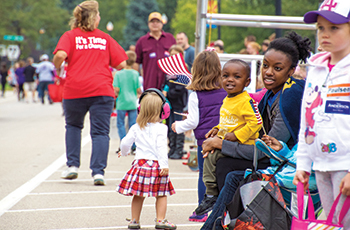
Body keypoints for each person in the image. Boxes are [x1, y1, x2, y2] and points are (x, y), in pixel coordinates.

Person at [201, 31, 312, 213]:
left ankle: (230, 218)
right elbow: (250, 130)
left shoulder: (290, 96)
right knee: (221, 161)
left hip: (286, 164)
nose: (268, 72)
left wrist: (222, 144)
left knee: (226, 165)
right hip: (268, 158)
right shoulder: (271, 93)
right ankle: (225, 217)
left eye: (277, 68)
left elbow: (266, 150)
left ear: (291, 71)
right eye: (265, 65)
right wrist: (219, 132)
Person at [53, 0, 127, 185]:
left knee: (73, 126)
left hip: (75, 90)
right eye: (99, 15)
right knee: (100, 132)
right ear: (94, 18)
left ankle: (72, 167)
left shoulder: (70, 36)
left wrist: (58, 67)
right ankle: (98, 173)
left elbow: (61, 55)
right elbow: (122, 64)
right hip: (101, 90)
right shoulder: (104, 38)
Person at [294, 1, 350, 228]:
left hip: (345, 166)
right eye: (320, 27)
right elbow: (306, 119)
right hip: (321, 165)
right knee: (333, 224)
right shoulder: (315, 69)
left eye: (334, 27)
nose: (324, 34)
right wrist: (303, 164)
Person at [201, 135, 317, 230]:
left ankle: (217, 225)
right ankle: (220, 224)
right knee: (238, 177)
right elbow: (292, 157)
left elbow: (304, 165)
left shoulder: (324, 140)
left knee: (242, 180)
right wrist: (281, 149)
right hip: (282, 176)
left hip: (292, 183)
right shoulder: (308, 135)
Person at [196, 59, 263, 216]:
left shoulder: (246, 101)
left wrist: (237, 135)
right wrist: (216, 129)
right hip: (227, 141)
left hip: (243, 146)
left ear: (247, 82)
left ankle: (212, 195)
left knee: (211, 157)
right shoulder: (228, 98)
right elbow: (227, 122)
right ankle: (212, 195)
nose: (230, 80)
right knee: (209, 155)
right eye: (225, 75)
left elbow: (256, 123)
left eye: (236, 76)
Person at [171, 51, 227, 222]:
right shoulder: (226, 90)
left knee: (205, 176)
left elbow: (193, 121)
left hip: (205, 142)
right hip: (225, 140)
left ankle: (202, 212)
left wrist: (177, 126)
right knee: (223, 175)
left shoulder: (196, 95)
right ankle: (224, 211)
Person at [117, 89, 176, 230]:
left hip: (140, 165)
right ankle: (160, 220)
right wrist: (164, 165)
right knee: (161, 194)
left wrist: (124, 152)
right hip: (156, 166)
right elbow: (161, 147)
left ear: (140, 109)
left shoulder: (136, 127)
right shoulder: (162, 128)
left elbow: (125, 143)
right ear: (163, 111)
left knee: (138, 195)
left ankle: (134, 221)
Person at [135, 12, 176, 91]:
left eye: (157, 21)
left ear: (162, 23)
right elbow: (136, 62)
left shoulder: (170, 38)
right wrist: (137, 82)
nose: (155, 24)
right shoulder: (142, 41)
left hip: (168, 86)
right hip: (150, 84)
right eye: (152, 22)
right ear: (148, 24)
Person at [113, 50, 142, 153]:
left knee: (120, 124)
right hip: (132, 102)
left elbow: (117, 89)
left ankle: (123, 144)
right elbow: (138, 89)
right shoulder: (135, 74)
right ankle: (133, 146)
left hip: (121, 102)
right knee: (132, 124)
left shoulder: (118, 74)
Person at [163, 44, 188, 159]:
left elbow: (180, 88)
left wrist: (169, 94)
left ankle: (178, 149)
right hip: (169, 103)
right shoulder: (168, 70)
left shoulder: (183, 70)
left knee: (177, 126)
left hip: (178, 102)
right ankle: (172, 148)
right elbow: (166, 84)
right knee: (169, 125)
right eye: (171, 55)